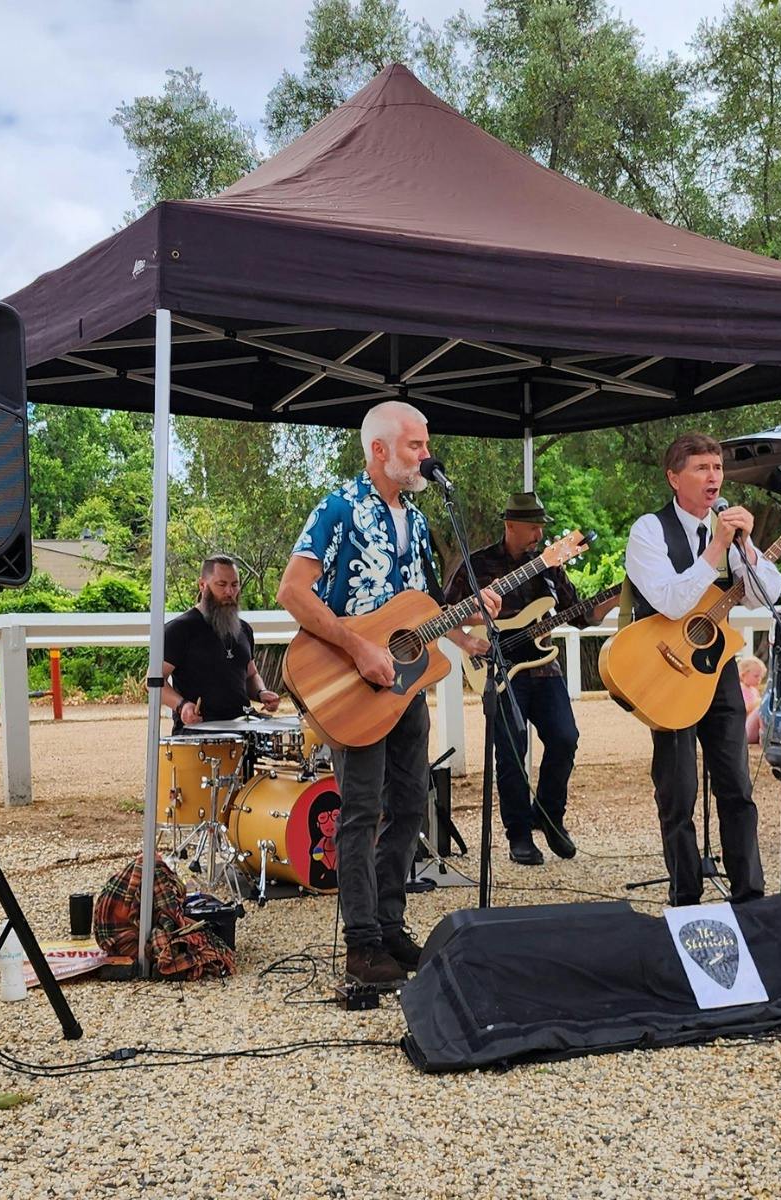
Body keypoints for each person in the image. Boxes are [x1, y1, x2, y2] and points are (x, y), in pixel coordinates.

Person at [277, 400, 500, 987]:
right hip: (351, 683)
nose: (427, 456)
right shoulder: (338, 508)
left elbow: (421, 610)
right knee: (359, 812)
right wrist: (357, 647)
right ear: (378, 450)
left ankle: (390, 926)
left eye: (425, 446)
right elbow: (293, 591)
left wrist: (466, 629)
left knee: (408, 806)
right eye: (415, 446)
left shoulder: (421, 521)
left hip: (405, 689)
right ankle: (361, 944)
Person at [624, 432, 781, 906]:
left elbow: (764, 594)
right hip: (667, 675)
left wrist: (748, 546)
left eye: (717, 468)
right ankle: (686, 898)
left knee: (737, 785)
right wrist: (715, 549)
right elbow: (671, 602)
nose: (713, 477)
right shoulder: (648, 531)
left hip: (719, 672)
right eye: (700, 468)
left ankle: (749, 896)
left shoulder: (729, 531)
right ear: (674, 478)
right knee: (678, 791)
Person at [444, 492, 617, 866]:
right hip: (497, 666)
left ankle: (551, 816)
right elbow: (445, 613)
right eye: (533, 526)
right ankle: (519, 835)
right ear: (510, 525)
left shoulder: (551, 567)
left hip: (544, 668)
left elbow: (580, 616)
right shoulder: (477, 565)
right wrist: (474, 629)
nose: (539, 533)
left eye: (542, 527)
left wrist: (616, 597)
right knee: (511, 751)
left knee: (565, 738)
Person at [162, 555, 279, 734]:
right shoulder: (179, 629)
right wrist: (182, 706)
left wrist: (261, 693)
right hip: (201, 730)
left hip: (243, 724)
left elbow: (251, 674)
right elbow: (154, 681)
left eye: (234, 585)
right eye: (221, 585)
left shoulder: (244, 629)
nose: (230, 592)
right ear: (202, 585)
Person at [738, 655, 768, 746]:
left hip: (752, 729)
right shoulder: (740, 689)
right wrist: (757, 703)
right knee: (759, 709)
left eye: (761, 677)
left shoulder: (754, 690)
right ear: (743, 675)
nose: (759, 679)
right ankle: (764, 737)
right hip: (744, 730)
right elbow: (743, 708)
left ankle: (764, 734)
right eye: (756, 676)